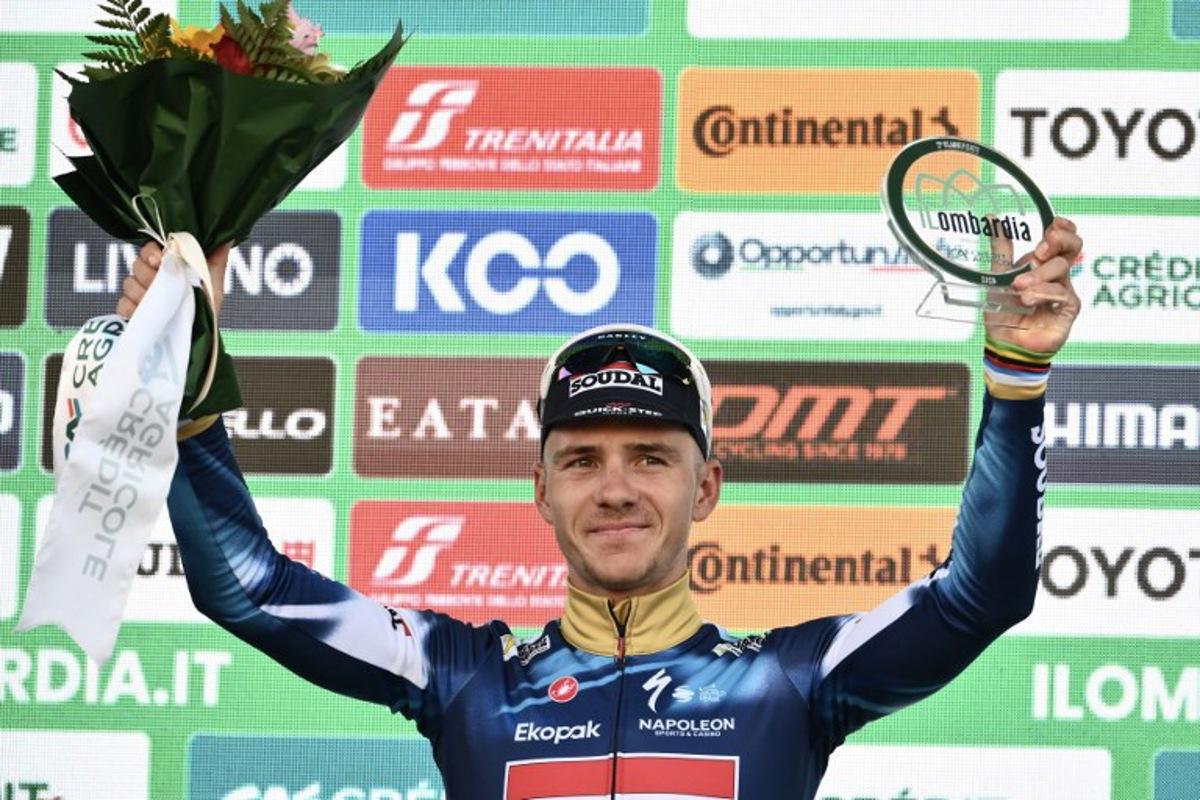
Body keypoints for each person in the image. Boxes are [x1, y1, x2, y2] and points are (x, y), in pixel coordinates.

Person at [119, 218, 1082, 799]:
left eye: (651, 459)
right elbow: (247, 588)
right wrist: (185, 390)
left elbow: (978, 596)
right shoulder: (464, 677)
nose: (615, 488)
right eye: (580, 459)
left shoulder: (791, 680)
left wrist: (1016, 378)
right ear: (540, 490)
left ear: (705, 487)